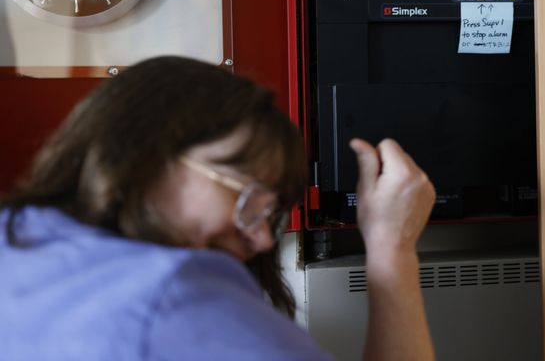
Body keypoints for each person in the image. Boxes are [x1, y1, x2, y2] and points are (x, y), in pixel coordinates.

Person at [0, 56, 436, 361]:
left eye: (271, 213)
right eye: (250, 198)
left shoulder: (15, 236)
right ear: (145, 153)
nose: (263, 238)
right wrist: (391, 250)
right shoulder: (170, 291)